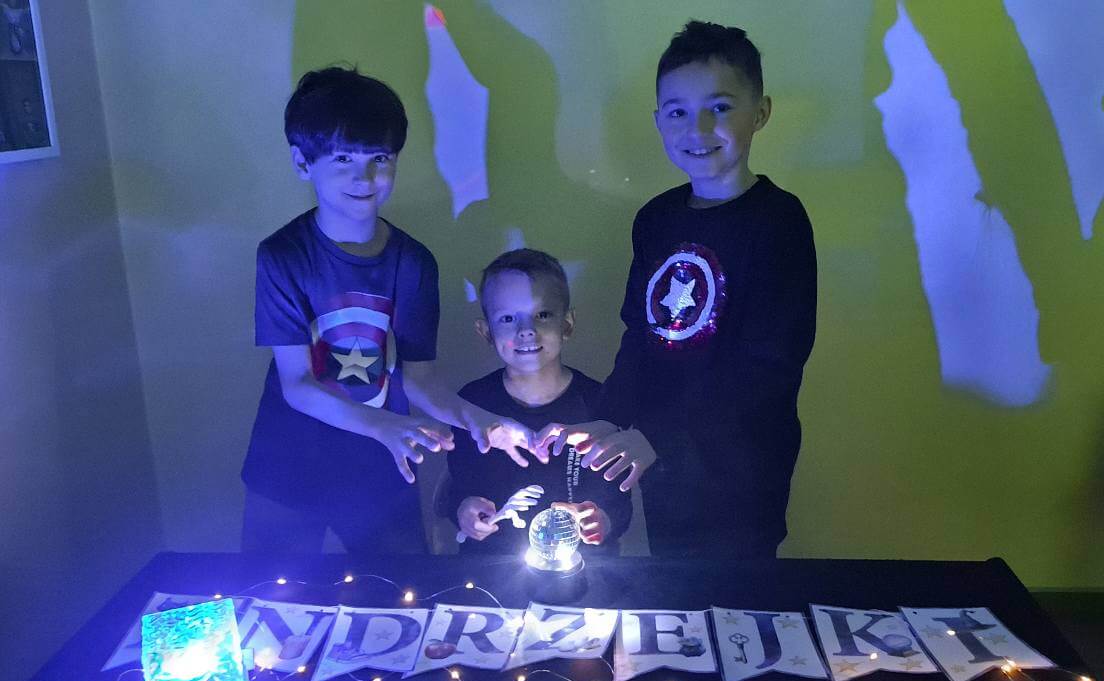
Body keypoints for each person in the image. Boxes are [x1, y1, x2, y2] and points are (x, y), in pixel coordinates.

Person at [542, 21, 816, 559]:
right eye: (678, 112)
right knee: (674, 583)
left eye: (720, 107)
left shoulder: (778, 221)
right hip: (665, 469)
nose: (698, 128)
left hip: (743, 469)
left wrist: (656, 435)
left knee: (736, 594)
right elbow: (641, 337)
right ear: (658, 121)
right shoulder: (656, 220)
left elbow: (770, 364)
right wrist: (610, 417)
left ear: (760, 112)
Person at [241, 67, 534, 555]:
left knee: (399, 587)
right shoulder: (284, 256)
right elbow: (297, 384)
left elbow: (420, 379)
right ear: (302, 162)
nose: (365, 177)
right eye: (343, 159)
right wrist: (384, 425)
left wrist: (481, 421)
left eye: (379, 158)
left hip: (382, 463)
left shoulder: (412, 263)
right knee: (272, 592)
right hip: (288, 465)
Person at [443, 249, 632, 556]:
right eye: (507, 318)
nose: (526, 330)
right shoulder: (472, 404)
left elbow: (619, 501)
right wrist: (464, 511)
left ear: (566, 324)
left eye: (542, 314)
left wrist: (603, 522)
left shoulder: (601, 403)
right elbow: (457, 486)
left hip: (584, 570)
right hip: (491, 568)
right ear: (486, 331)